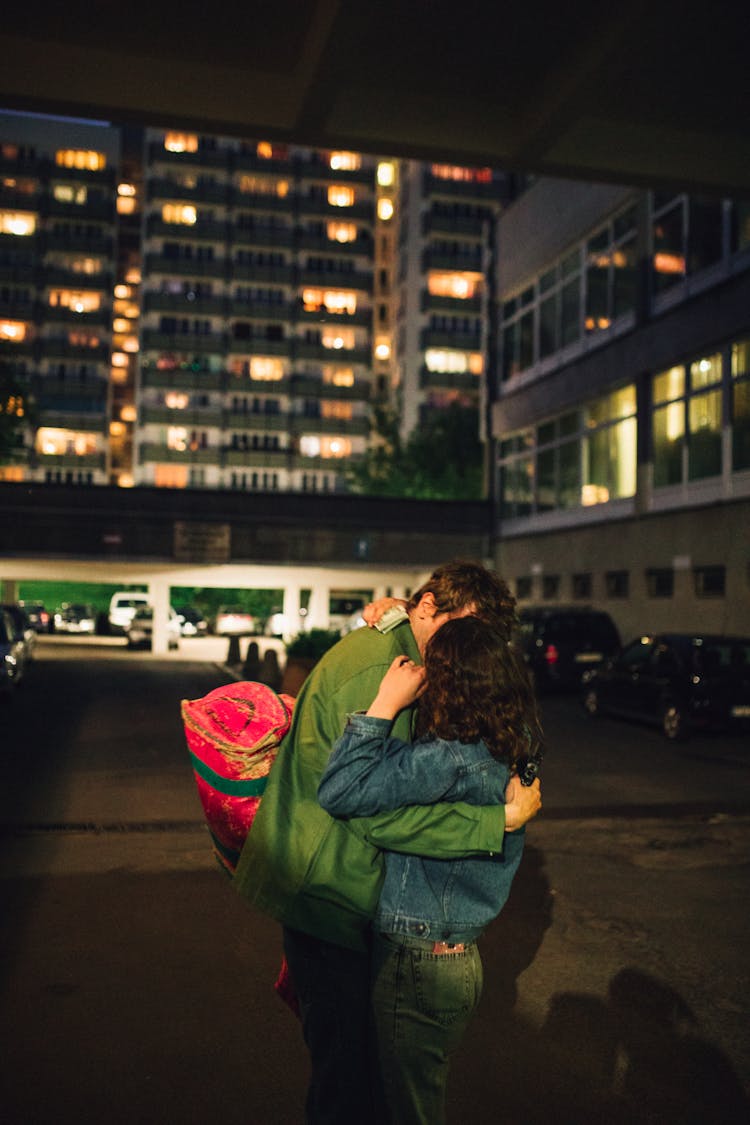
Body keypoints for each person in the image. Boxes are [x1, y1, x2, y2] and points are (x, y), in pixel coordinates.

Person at [232, 560, 542, 1124]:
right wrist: (492, 824)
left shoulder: (413, 652)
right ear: (427, 610)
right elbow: (372, 811)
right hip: (331, 894)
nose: (466, 650)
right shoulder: (385, 673)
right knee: (349, 1083)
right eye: (459, 633)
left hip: (352, 896)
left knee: (373, 1082)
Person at [318, 616, 542, 1124]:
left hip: (417, 960)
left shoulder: (448, 759)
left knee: (409, 1109)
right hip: (456, 959)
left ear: (448, 682)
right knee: (415, 1095)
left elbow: (339, 790)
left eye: (431, 668)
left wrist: (385, 704)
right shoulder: (509, 742)